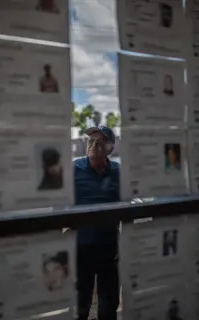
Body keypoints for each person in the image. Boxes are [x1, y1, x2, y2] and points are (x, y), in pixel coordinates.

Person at [74, 125, 120, 320]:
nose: (93, 145)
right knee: (79, 305)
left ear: (110, 148)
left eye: (99, 142)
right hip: (81, 248)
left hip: (109, 248)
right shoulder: (74, 169)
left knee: (108, 306)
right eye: (90, 141)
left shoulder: (119, 172)